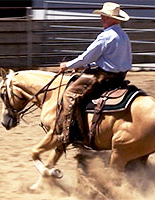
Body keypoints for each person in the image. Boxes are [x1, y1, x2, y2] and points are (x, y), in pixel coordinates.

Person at [56, 2, 132, 143]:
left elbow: (86, 56)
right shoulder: (124, 36)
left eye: (105, 16)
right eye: (102, 16)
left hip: (104, 77)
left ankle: (69, 134)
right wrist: (87, 65)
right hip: (120, 77)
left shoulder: (106, 36)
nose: (102, 19)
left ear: (113, 19)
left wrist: (67, 65)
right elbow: (109, 59)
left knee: (70, 93)